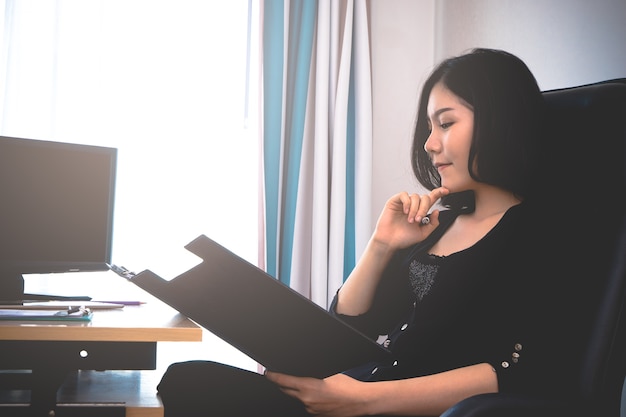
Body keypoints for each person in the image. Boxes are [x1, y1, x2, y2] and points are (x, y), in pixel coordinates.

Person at [157, 48, 574, 417]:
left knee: (197, 388)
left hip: (389, 405)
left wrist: (362, 401)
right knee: (188, 379)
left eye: (445, 123)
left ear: (500, 121)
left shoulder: (539, 232)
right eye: (429, 127)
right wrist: (381, 244)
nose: (430, 143)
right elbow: (351, 327)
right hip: (361, 389)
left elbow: (520, 369)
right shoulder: (438, 225)